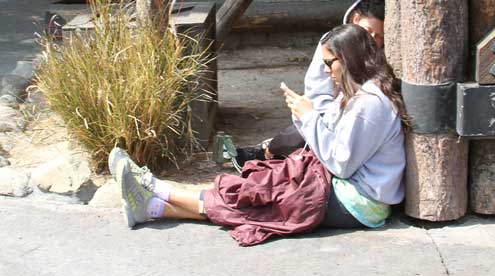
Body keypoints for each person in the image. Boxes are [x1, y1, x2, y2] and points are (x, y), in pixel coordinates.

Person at [109, 23, 408, 246]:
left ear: (350, 59)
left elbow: (341, 161)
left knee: (264, 202)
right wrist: (305, 114)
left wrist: (309, 118)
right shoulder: (360, 95)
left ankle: (155, 188)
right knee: (259, 186)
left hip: (360, 202)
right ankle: (152, 205)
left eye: (330, 63)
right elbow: (331, 136)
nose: (327, 70)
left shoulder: (370, 104)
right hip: (344, 185)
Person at [233, 0, 386, 166]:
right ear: (355, 19)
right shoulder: (331, 45)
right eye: (368, 31)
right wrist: (325, 119)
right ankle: (269, 152)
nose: (372, 40)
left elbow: (343, 162)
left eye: (379, 36)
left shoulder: (375, 85)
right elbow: (318, 96)